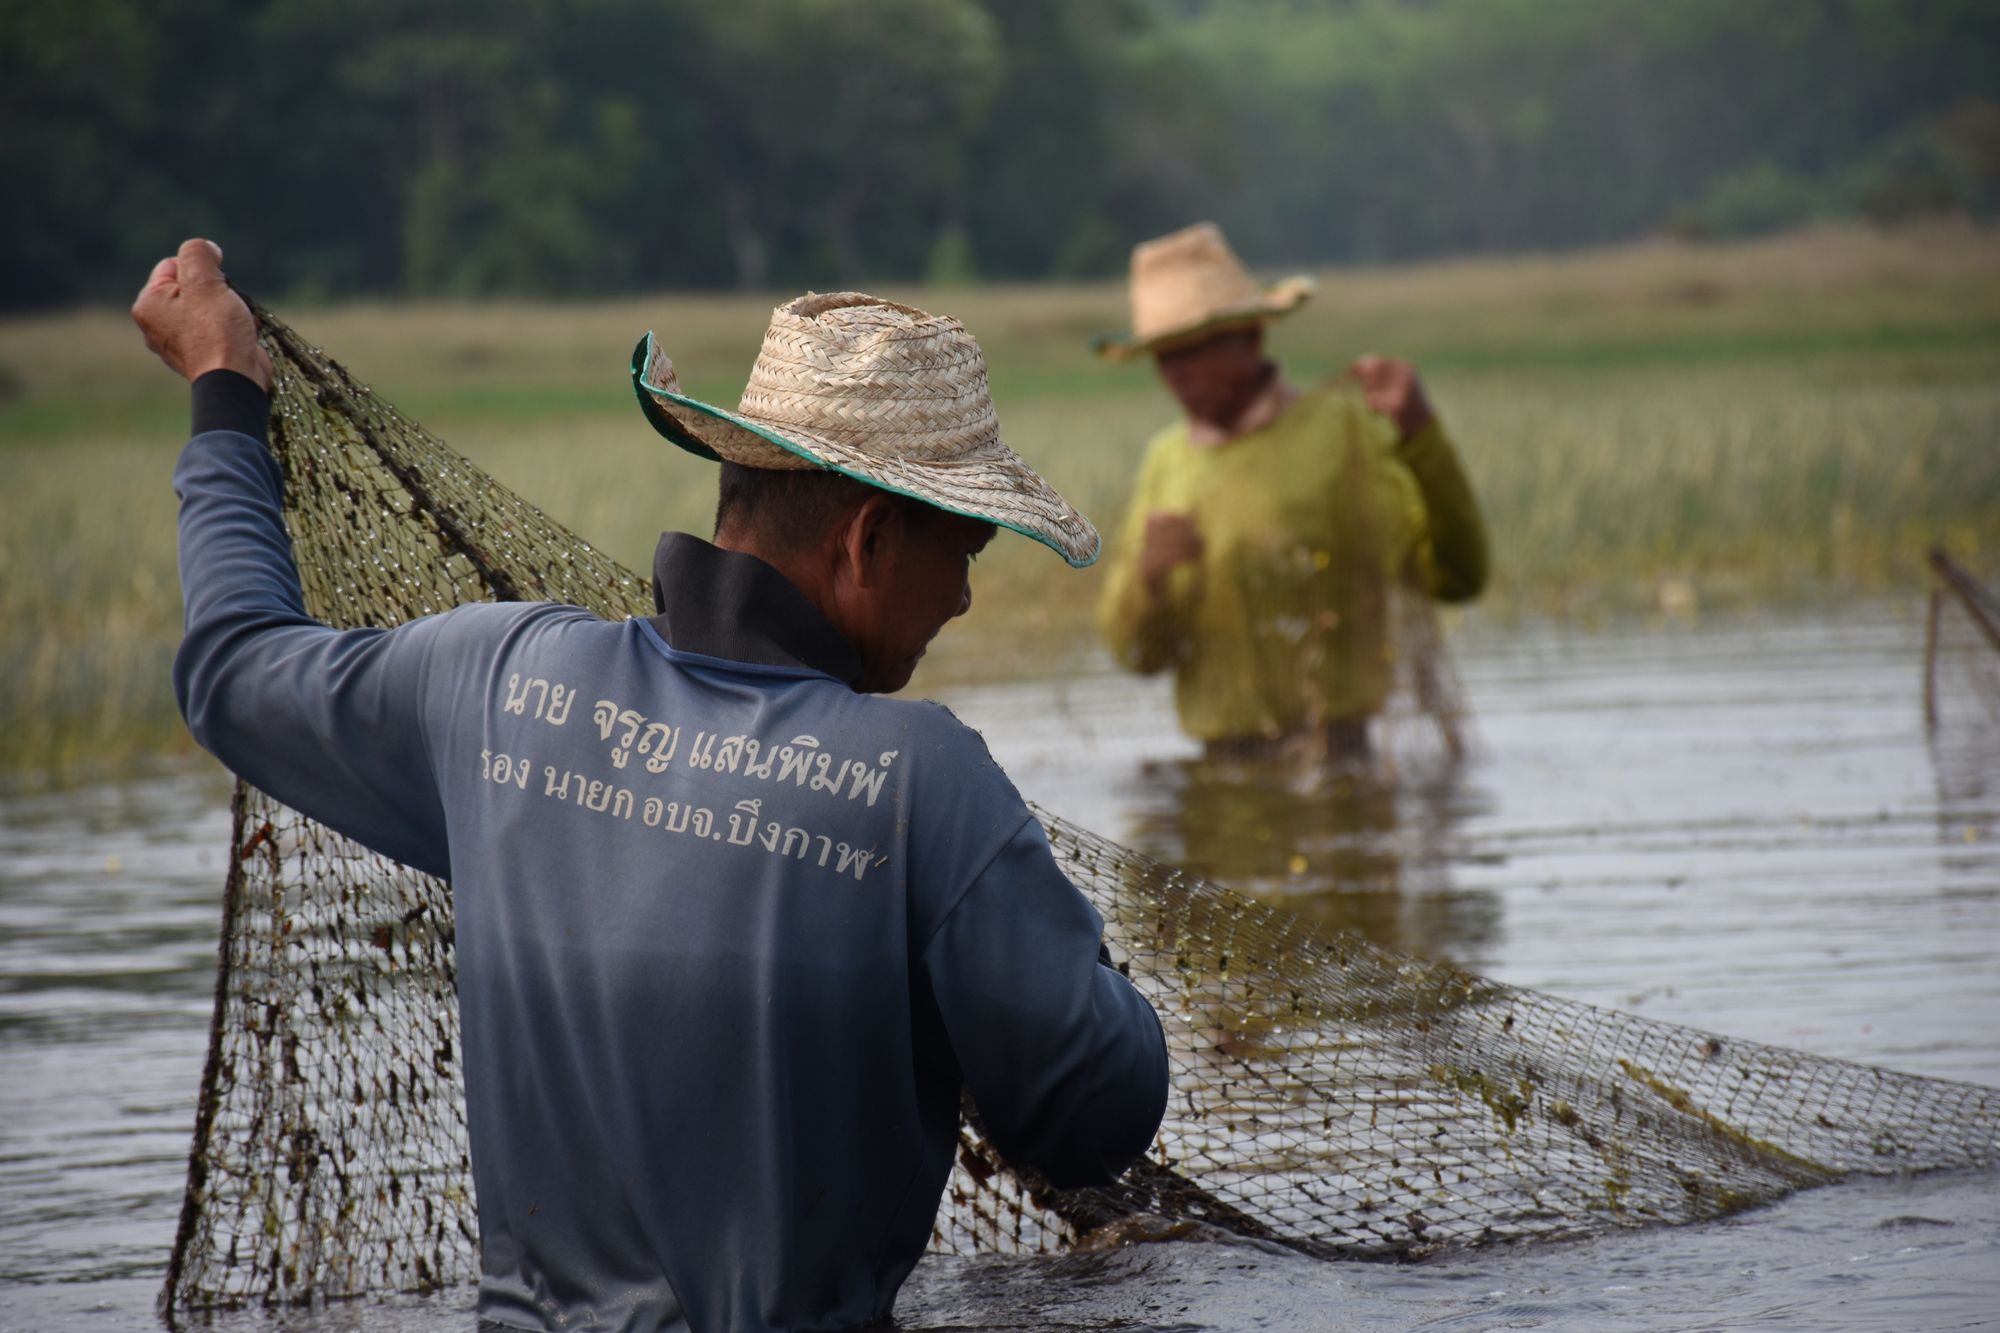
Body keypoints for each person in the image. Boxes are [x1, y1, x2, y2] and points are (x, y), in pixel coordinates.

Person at [135, 239, 1167, 1333]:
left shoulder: (492, 682)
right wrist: (1065, 951)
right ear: (866, 539)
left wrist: (223, 394)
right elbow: (1086, 1113)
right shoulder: (924, 782)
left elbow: (234, 670)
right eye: (964, 549)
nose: (960, 597)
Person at [1095, 222, 1488, 760]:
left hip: (1342, 763)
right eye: (1164, 356)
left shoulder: (1340, 435)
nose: (1177, 373)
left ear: (1252, 336)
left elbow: (1457, 576)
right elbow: (1137, 656)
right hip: (1219, 771)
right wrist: (1151, 579)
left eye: (1194, 349)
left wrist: (1422, 437)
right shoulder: (1166, 461)